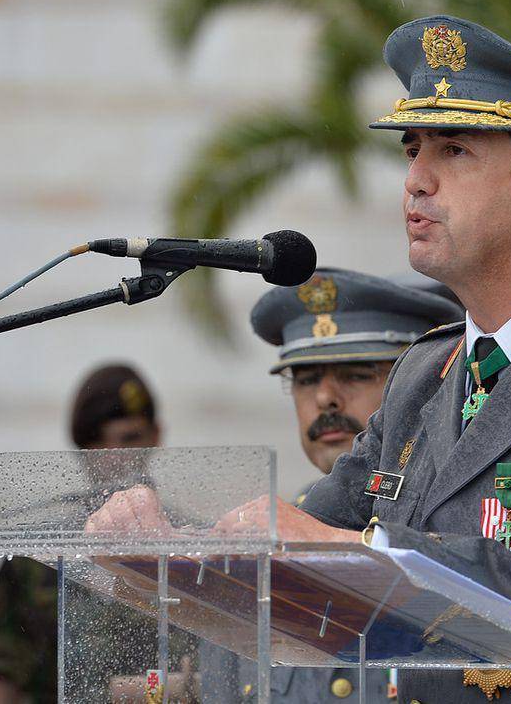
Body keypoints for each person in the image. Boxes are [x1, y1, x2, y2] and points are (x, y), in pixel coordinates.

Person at [88, 15, 511, 703]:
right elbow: (309, 537)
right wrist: (168, 552)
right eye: (413, 150)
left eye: (454, 151)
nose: (416, 181)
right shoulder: (425, 375)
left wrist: (359, 554)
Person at [197, 267, 462, 702]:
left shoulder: (452, 543)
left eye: (356, 374)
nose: (325, 399)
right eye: (306, 379)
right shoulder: (268, 551)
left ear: (419, 387)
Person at [0, 363, 162, 704]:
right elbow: (2, 676)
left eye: (130, 440)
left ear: (156, 436)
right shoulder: (38, 553)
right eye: (96, 443)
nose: (113, 458)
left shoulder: (189, 546)